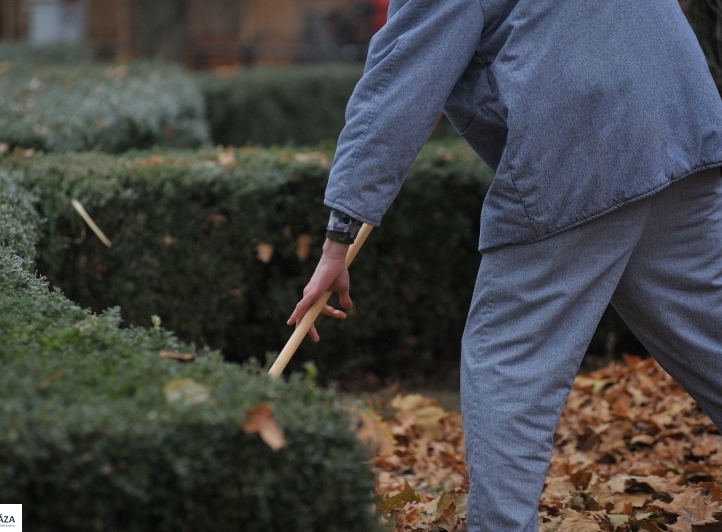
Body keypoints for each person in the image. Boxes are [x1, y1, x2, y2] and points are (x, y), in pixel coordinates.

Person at [286, 0, 722, 530]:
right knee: (711, 327)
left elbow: (398, 84)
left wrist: (339, 236)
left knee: (506, 363)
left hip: (579, 141)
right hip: (679, 110)